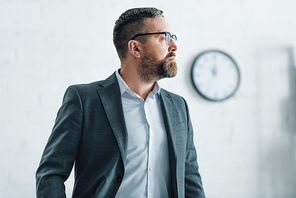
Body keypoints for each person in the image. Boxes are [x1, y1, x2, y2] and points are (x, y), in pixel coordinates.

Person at [36, 7, 206, 198]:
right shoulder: (85, 100)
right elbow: (50, 173)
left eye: (173, 36)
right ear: (135, 48)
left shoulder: (178, 106)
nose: (173, 45)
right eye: (164, 37)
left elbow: (190, 179)